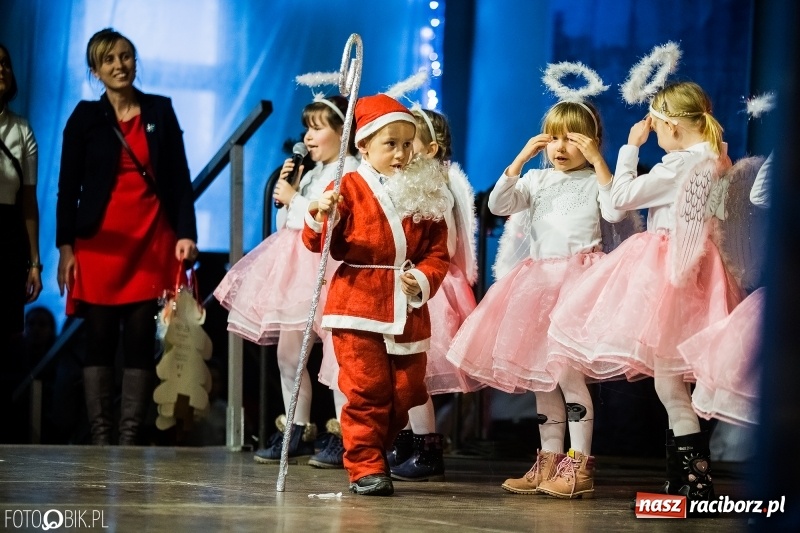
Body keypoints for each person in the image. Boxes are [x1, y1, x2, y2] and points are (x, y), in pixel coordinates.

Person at [548, 81, 743, 505]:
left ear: (671, 125)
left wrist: (631, 147)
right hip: (698, 273)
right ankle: (687, 482)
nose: (651, 132)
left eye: (655, 126)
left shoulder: (677, 168)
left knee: (671, 389)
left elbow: (618, 201)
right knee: (671, 388)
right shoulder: (716, 159)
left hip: (667, 272)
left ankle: (693, 485)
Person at [446, 100, 627, 499]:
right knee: (543, 380)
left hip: (578, 286)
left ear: (592, 142)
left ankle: (579, 464)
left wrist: (599, 164)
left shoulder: (596, 182)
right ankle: (549, 460)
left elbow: (615, 211)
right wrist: (522, 159)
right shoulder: (538, 181)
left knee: (568, 375)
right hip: (539, 284)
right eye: (554, 138)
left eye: (573, 139)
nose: (560, 147)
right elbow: (497, 204)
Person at [56, 28, 198, 446]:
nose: (119, 65)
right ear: (95, 70)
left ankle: (130, 435)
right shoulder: (84, 117)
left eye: (126, 56)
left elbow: (179, 179)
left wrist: (186, 233)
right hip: (100, 244)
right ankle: (102, 435)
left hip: (152, 238)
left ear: (135, 61)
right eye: (109, 60)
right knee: (98, 337)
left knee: (139, 339)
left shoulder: (161, 110)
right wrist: (66, 247)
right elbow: (68, 189)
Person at [303, 94, 450, 496]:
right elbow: (317, 244)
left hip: (407, 305)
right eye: (391, 144)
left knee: (406, 392)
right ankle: (365, 465)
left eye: (408, 143)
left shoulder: (425, 188)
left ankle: (374, 452)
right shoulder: (346, 187)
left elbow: (438, 252)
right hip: (357, 305)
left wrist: (422, 277)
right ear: (364, 145)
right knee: (367, 390)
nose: (402, 153)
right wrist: (321, 214)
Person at [213, 93, 358, 466]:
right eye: (306, 128)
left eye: (317, 128)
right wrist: (289, 196)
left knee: (338, 358)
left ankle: (345, 434)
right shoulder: (309, 173)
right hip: (297, 276)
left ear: (342, 133)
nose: (307, 137)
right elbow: (286, 226)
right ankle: (296, 428)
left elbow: (323, 224)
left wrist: (295, 200)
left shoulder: (350, 172)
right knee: (290, 354)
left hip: (331, 275)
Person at [387, 107, 481, 482]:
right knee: (403, 372)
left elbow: (447, 241)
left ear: (429, 148)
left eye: (409, 142)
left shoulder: (438, 187)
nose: (402, 151)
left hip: (430, 286)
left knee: (416, 371)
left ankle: (428, 447)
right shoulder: (412, 182)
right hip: (410, 281)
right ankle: (410, 440)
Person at [0, 43, 42, 350]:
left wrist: (34, 263)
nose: (2, 69)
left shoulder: (21, 129)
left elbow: (28, 202)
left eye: (5, 63)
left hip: (7, 237)